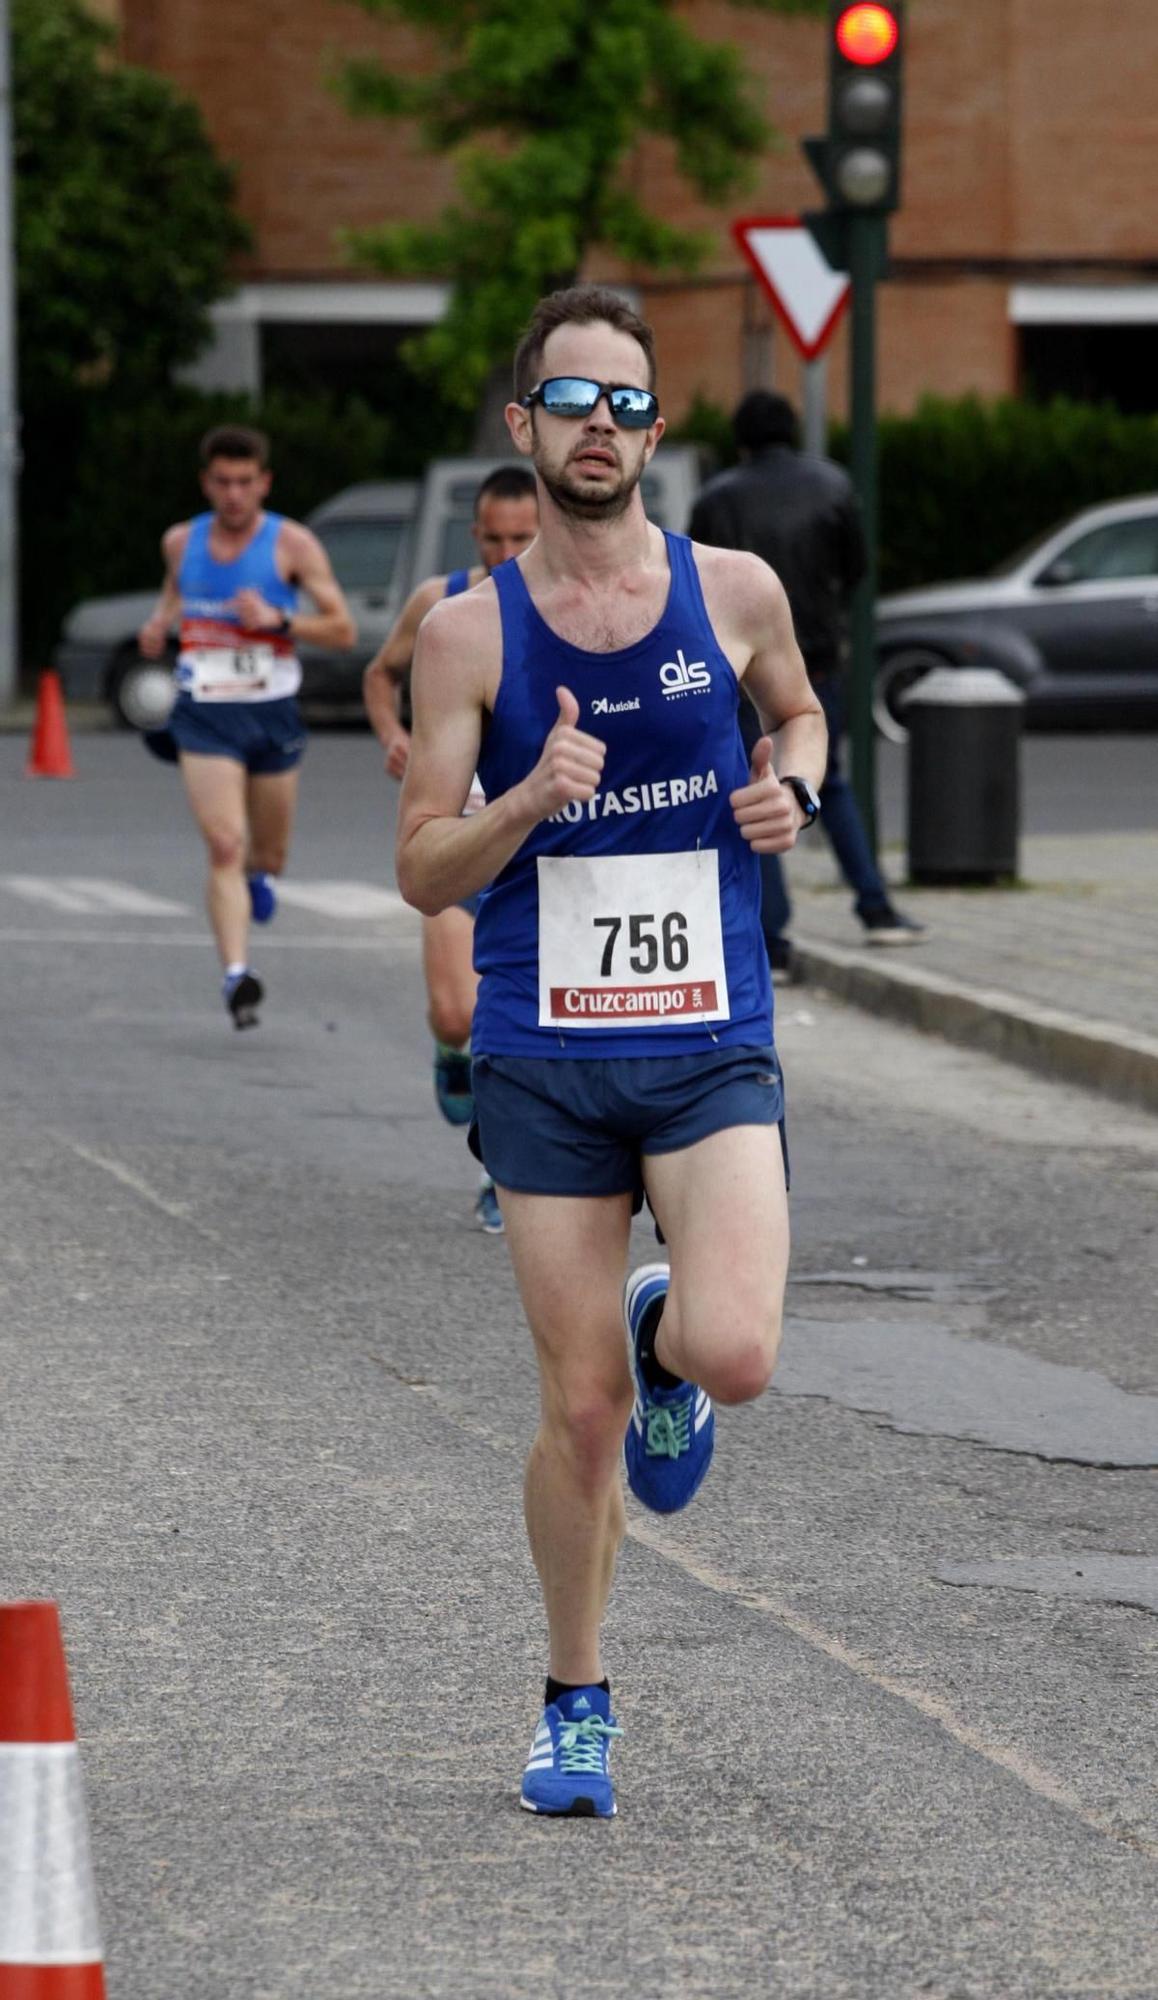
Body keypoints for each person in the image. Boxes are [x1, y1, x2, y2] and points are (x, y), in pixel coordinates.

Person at [395, 286, 827, 1818]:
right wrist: (524, 803)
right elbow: (422, 867)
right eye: (572, 402)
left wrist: (796, 793)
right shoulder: (466, 634)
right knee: (574, 1412)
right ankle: (575, 1698)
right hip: (544, 1054)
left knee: (738, 1353)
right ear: (523, 428)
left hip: (710, 1039)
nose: (601, 426)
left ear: (656, 427)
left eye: (627, 404)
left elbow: (803, 718)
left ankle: (669, 1348)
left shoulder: (736, 591)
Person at [689, 390, 923, 978]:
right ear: (792, 431)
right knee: (828, 777)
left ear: (740, 440)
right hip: (815, 659)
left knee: (753, 783)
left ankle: (772, 936)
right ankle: (876, 906)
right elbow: (857, 569)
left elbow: (695, 577)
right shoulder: (833, 485)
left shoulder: (718, 498)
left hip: (737, 667)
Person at [363, 466, 539, 1233]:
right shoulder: (441, 603)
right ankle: (449, 1051)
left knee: (522, 1020)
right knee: (452, 1009)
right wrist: (394, 734)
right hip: (460, 842)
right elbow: (381, 674)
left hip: (537, 850)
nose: (506, 554)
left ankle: (502, 1175)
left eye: (522, 539)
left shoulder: (565, 607)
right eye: (494, 538)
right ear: (476, 534)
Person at [139, 425, 356, 1027]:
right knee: (223, 844)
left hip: (271, 711)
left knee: (267, 852)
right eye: (222, 482)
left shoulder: (292, 545)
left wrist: (278, 618)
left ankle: (262, 875)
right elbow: (174, 596)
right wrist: (160, 625)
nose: (234, 494)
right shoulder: (181, 542)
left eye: (245, 482)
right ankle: (237, 974)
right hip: (203, 710)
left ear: (263, 482)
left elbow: (341, 630)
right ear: (206, 483)